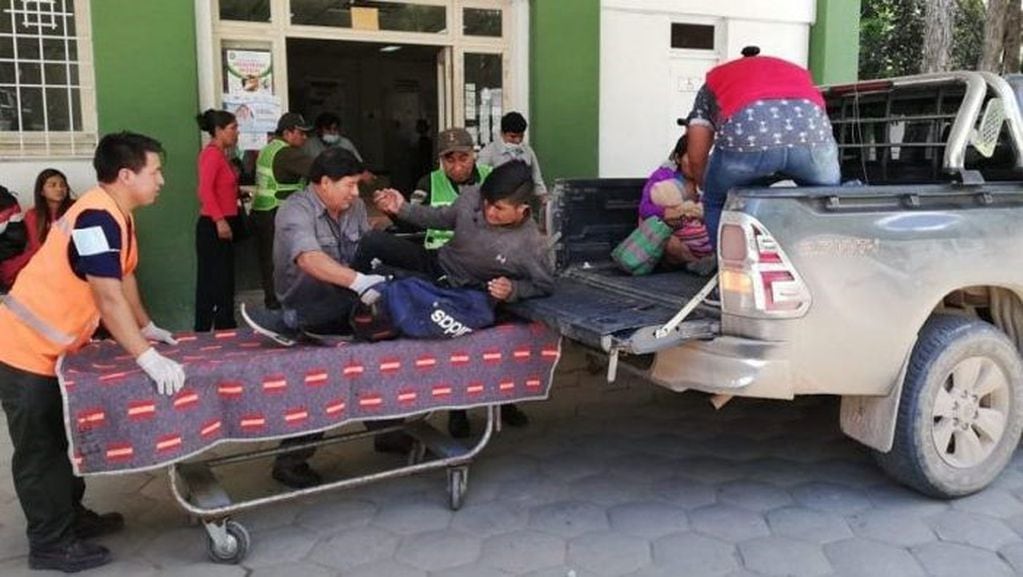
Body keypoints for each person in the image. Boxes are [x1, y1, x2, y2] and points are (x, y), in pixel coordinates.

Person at [0, 132, 185, 573]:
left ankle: (71, 518)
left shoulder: (116, 214)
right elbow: (106, 296)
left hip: (53, 351)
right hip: (24, 350)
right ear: (126, 174)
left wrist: (145, 326)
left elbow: (123, 278)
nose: (161, 180)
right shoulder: (95, 219)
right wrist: (145, 357)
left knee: (61, 439)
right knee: (40, 450)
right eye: (155, 171)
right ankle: (49, 543)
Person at [240, 147, 400, 489]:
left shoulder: (353, 207)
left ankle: (389, 432)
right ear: (324, 182)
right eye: (350, 185)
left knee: (372, 363)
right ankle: (290, 461)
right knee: (324, 382)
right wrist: (359, 282)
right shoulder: (293, 210)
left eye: (358, 185)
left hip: (347, 300)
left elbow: (361, 250)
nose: (357, 194)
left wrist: (395, 217)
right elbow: (309, 259)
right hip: (308, 303)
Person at [362, 159, 555, 438]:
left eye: (499, 208)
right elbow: (439, 218)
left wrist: (513, 289)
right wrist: (402, 208)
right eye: (487, 202)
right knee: (373, 244)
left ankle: (462, 410)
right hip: (438, 266)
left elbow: (544, 284)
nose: (488, 210)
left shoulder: (530, 245)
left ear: (522, 210)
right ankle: (343, 311)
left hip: (468, 295)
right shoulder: (471, 198)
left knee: (458, 340)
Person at [685, 46, 840, 250]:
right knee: (827, 199)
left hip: (748, 138)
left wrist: (703, 184)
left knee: (716, 201)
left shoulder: (717, 79)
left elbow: (696, 152)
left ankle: (725, 266)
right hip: (812, 139)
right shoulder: (797, 72)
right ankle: (823, 256)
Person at [251, 112, 314, 310]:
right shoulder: (287, 153)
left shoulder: (269, 148)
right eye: (300, 133)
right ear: (287, 133)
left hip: (262, 210)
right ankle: (280, 303)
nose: (304, 138)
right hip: (276, 212)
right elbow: (319, 169)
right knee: (283, 261)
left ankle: (273, 301)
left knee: (268, 260)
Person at [194, 109, 242, 331]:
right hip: (214, 226)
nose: (237, 133)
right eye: (232, 128)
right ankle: (208, 328)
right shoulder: (211, 154)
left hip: (226, 222)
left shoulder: (224, 155)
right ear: (218, 130)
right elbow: (205, 191)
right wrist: (219, 220)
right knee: (214, 281)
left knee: (225, 281)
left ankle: (225, 326)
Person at [639, 134, 713, 270]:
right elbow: (644, 209)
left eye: (703, 159)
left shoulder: (709, 180)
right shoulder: (663, 176)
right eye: (691, 158)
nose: (697, 162)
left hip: (699, 236)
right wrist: (676, 213)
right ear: (678, 158)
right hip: (673, 233)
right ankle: (698, 263)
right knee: (670, 243)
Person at [411, 127, 492, 250]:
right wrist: (394, 212)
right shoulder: (428, 183)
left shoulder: (492, 178)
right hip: (438, 258)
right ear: (441, 160)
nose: (458, 167)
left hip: (481, 257)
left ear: (473, 154)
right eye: (450, 160)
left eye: (463, 159)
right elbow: (413, 221)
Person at [0, 168, 74, 287]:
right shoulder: (33, 215)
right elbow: (37, 246)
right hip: (41, 256)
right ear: (42, 191)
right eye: (52, 185)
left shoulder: (76, 209)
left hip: (68, 256)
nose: (59, 189)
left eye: (62, 185)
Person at [477, 111, 548, 199]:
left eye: (521, 136)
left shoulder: (527, 151)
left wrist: (545, 201)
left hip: (521, 202)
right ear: (502, 133)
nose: (517, 141)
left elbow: (537, 179)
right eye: (513, 137)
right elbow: (478, 184)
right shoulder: (487, 153)